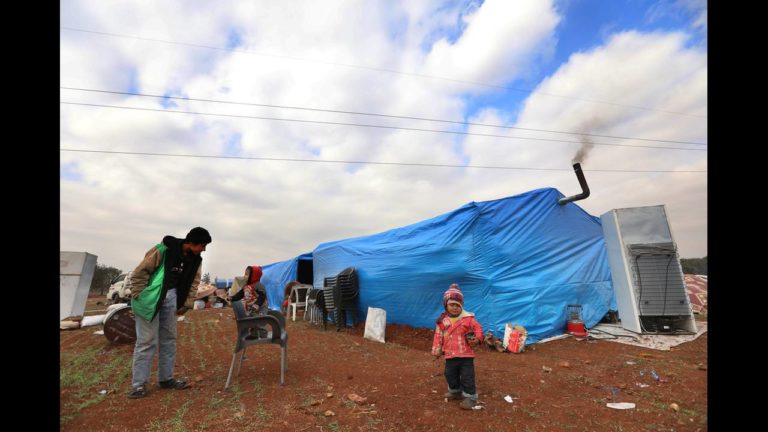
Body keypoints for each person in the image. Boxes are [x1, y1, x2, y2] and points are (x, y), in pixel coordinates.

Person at [127, 227, 212, 399]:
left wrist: (186, 304)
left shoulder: (196, 260)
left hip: (171, 298)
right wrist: (139, 295)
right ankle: (139, 385)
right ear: (192, 242)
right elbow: (139, 273)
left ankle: (166, 379)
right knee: (147, 341)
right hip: (151, 297)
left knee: (169, 339)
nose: (204, 249)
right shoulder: (163, 250)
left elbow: (194, 283)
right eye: (202, 245)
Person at [431, 283, 484, 410]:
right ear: (446, 305)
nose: (455, 308)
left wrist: (477, 339)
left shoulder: (468, 319)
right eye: (452, 305)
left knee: (467, 376)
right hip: (450, 355)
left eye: (458, 305)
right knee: (449, 374)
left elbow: (478, 328)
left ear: (462, 306)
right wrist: (437, 350)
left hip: (466, 355)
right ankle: (455, 391)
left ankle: (470, 397)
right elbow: (438, 336)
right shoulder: (442, 322)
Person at [229, 266, 268, 336]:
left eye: (247, 274)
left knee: (259, 320)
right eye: (245, 274)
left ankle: (263, 333)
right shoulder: (246, 286)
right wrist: (232, 298)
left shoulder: (258, 285)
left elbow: (262, 296)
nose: (245, 276)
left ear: (253, 276)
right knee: (252, 321)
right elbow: (240, 294)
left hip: (260, 308)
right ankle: (254, 334)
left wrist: (257, 305)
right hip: (251, 308)